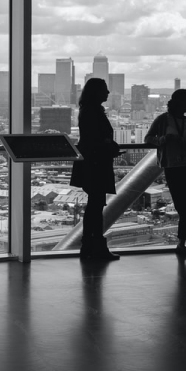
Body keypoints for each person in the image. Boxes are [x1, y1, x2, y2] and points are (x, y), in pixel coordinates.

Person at [145, 89, 186, 255]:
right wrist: (164, 139)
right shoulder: (162, 120)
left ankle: (182, 242)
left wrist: (180, 141)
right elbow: (148, 138)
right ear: (181, 102)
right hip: (174, 167)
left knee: (184, 206)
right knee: (182, 206)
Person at [70, 78, 121, 260]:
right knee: (95, 207)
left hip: (91, 163)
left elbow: (90, 138)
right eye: (105, 90)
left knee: (94, 206)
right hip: (96, 164)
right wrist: (109, 145)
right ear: (97, 92)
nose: (108, 93)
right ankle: (95, 246)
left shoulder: (87, 111)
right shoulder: (93, 112)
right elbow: (96, 138)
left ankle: (90, 246)